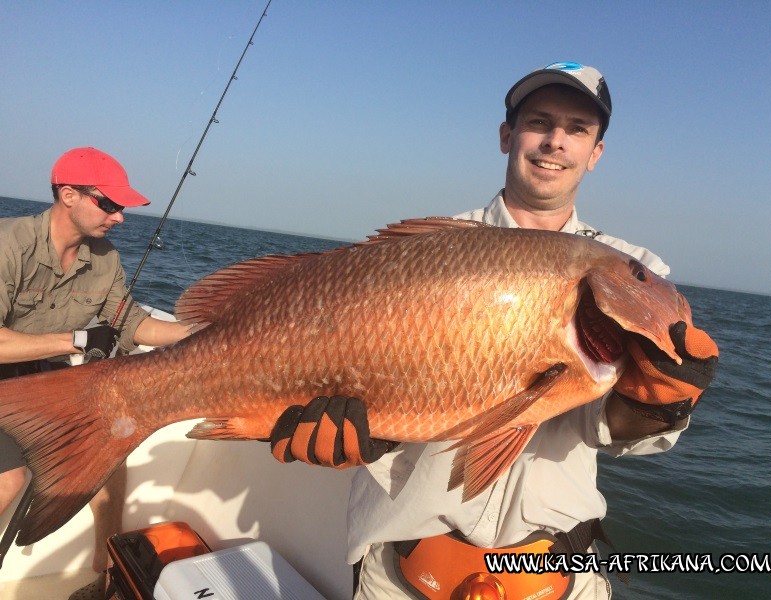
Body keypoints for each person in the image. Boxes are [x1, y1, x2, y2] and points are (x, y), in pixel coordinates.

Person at [269, 62, 719, 599]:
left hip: (560, 580)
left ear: (595, 153)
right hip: (401, 577)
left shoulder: (635, 267)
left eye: (578, 129)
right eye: (539, 122)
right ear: (507, 135)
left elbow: (618, 431)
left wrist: (659, 402)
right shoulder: (425, 252)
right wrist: (348, 432)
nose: (555, 141)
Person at [0, 147, 194, 577]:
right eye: (108, 203)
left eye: (121, 206)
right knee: (8, 479)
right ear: (68, 195)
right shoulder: (7, 244)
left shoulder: (105, 258)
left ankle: (107, 564)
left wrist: (195, 333)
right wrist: (77, 339)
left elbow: (131, 322)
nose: (119, 216)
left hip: (43, 377)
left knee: (108, 443)